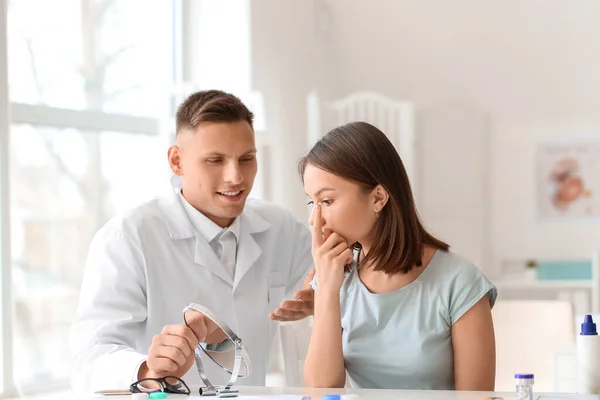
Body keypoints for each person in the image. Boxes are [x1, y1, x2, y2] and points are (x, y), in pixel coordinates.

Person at [69, 90, 314, 393]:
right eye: (215, 160)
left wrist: (327, 295)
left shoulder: (282, 229)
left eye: (246, 159)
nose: (235, 177)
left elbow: (340, 302)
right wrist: (148, 368)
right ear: (176, 161)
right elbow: (89, 357)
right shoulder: (128, 237)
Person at [300, 121, 497, 390]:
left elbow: (476, 399)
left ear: (378, 198)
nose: (315, 220)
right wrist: (326, 289)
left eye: (327, 201)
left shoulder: (460, 283)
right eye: (312, 202)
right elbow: (321, 390)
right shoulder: (334, 279)